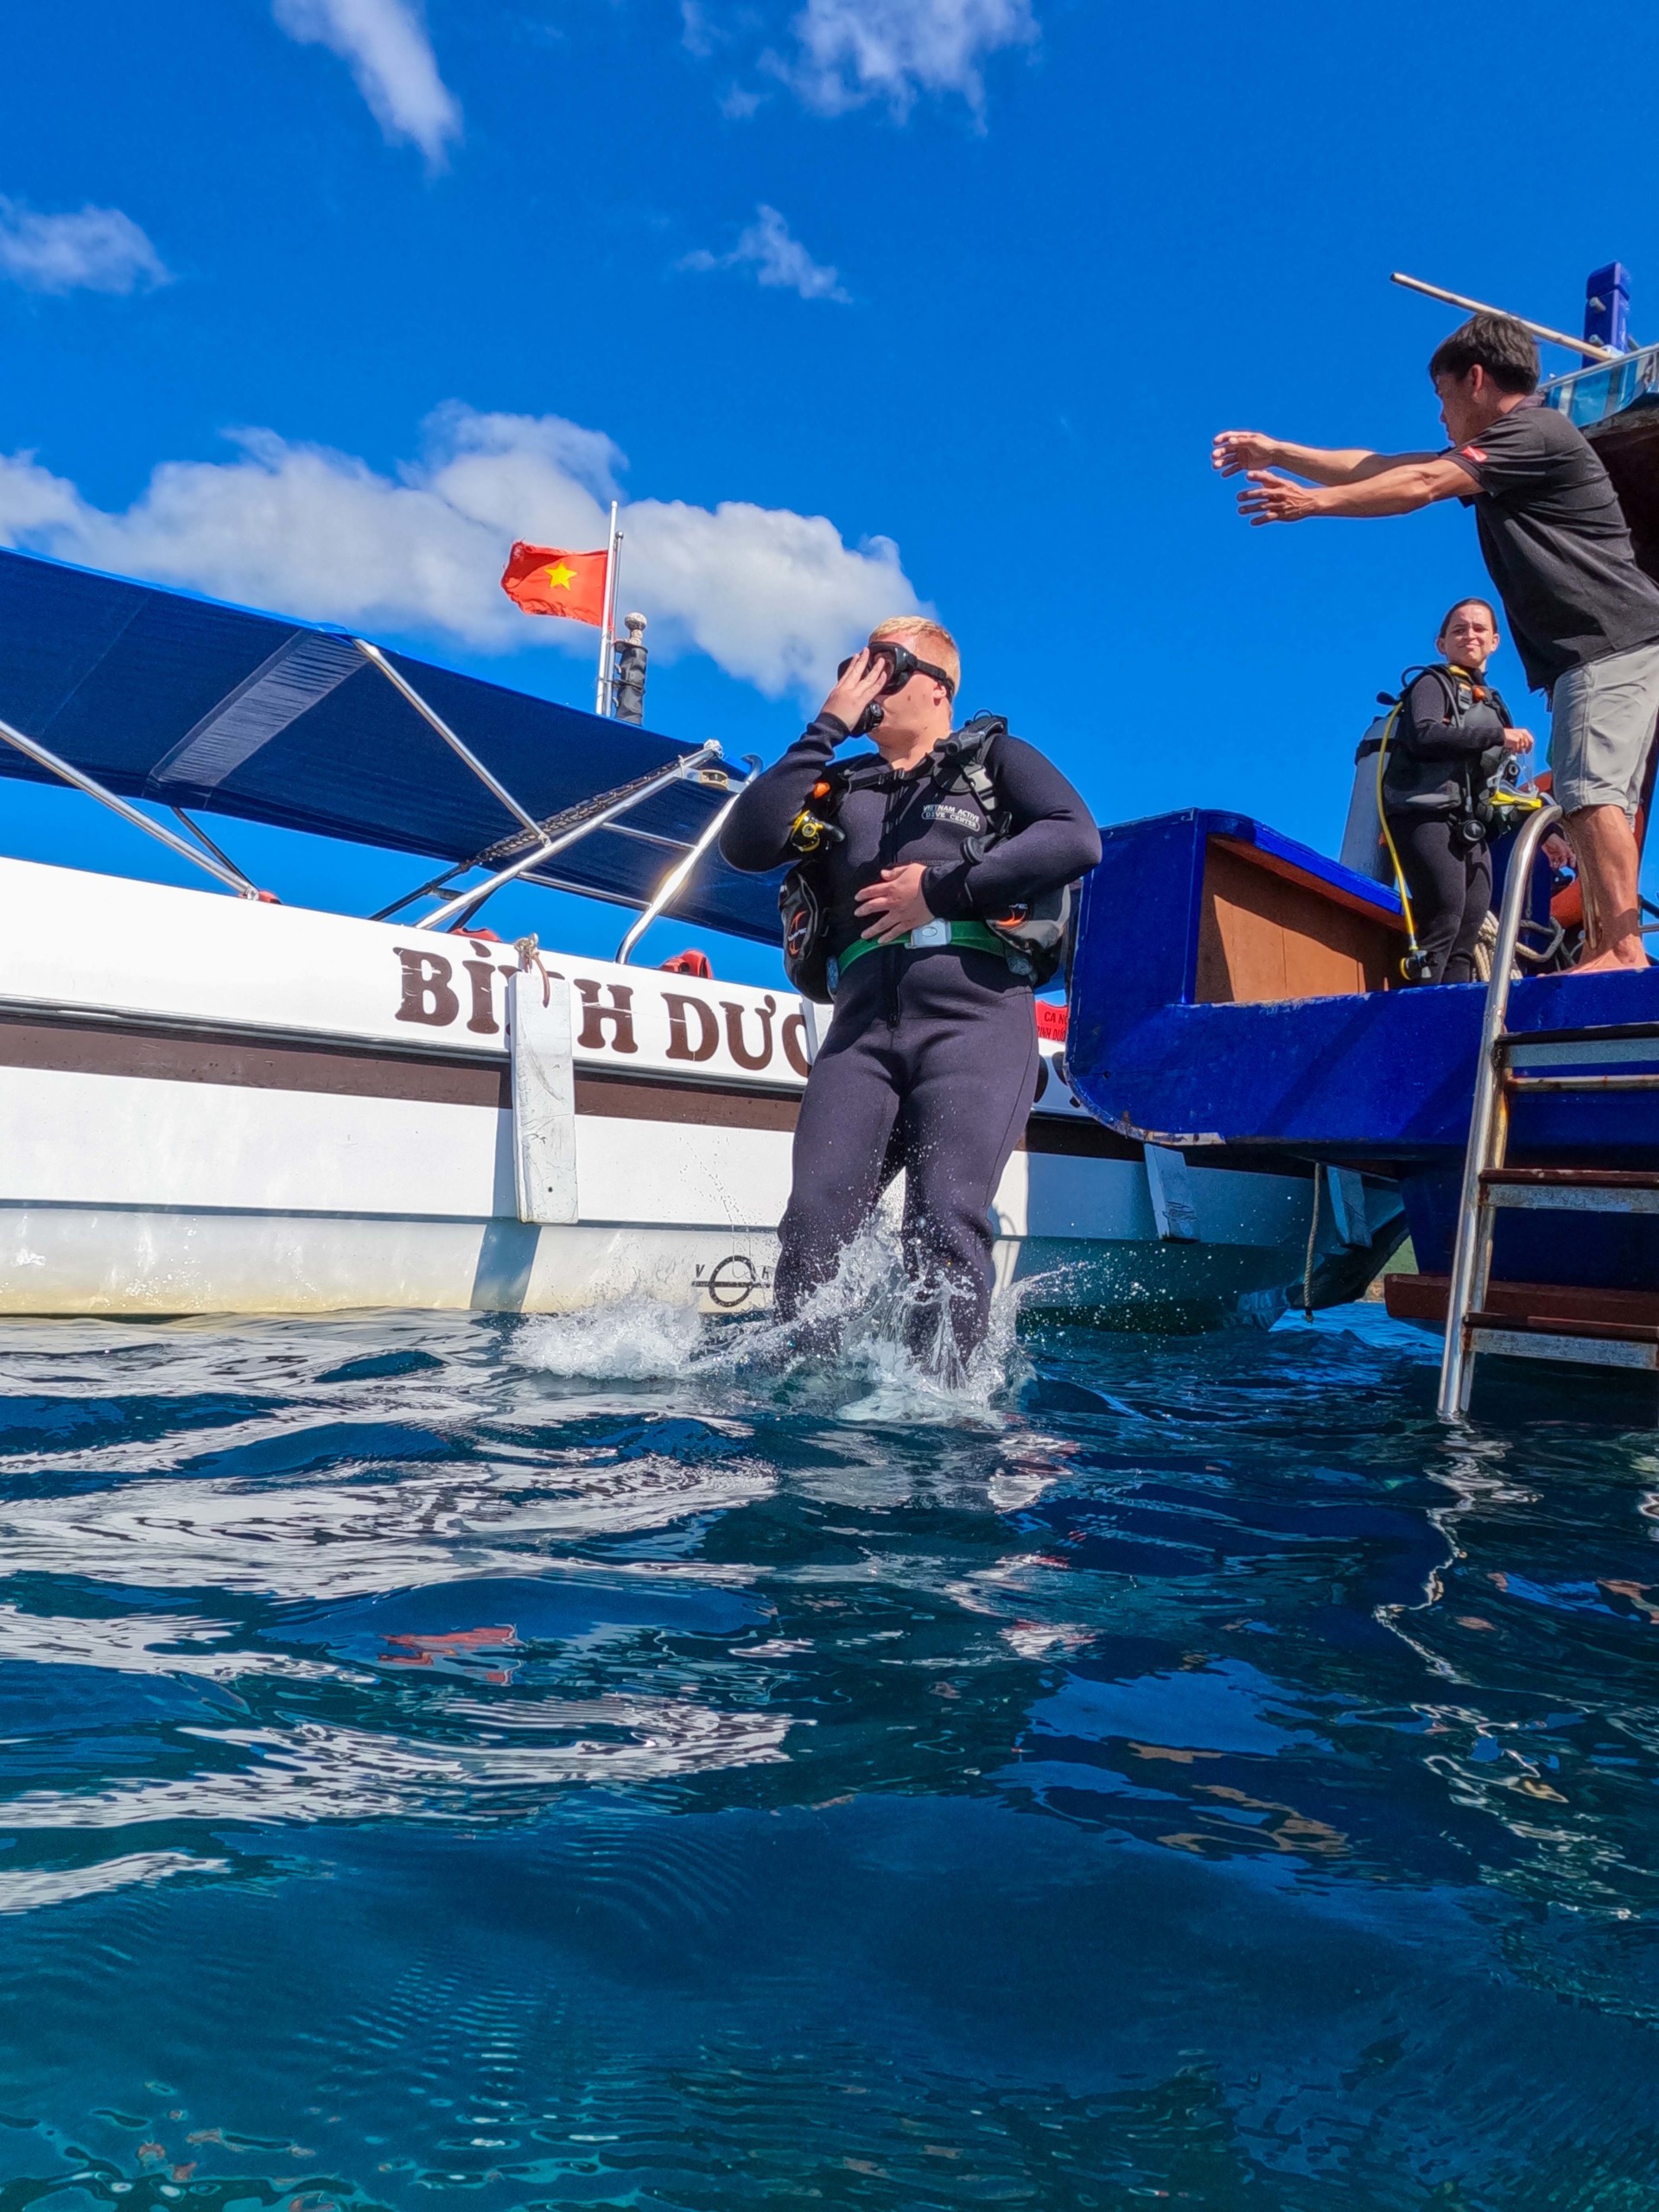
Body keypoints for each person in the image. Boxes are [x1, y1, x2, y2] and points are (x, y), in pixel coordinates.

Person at [1214, 313, 1659, 972]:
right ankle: (1610, 946)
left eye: (1444, 398)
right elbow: (1388, 465)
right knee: (1590, 790)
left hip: (1607, 640)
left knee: (1592, 792)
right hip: (1615, 642)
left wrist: (1311, 505)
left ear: (1475, 380)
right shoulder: (1515, 447)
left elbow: (1421, 485)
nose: (1443, 418)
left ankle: (1619, 949)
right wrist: (1280, 452)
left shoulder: (1534, 431)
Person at [719, 616, 1101, 1370]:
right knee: (814, 1225)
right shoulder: (839, 788)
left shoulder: (994, 763)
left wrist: (942, 891)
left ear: (936, 687)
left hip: (975, 1023)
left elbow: (1075, 836)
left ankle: (945, 1416)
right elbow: (746, 843)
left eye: (883, 666)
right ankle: (806, 1401)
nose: (864, 679)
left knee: (944, 1223)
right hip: (860, 1036)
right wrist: (826, 727)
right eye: (854, 664)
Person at [1382, 597, 1534, 983]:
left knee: (1469, 926)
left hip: (1472, 825)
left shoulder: (1496, 704)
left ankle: (1455, 1021)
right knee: (1445, 915)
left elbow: (1503, 782)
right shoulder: (1432, 683)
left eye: (1479, 628)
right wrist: (1497, 735)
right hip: (1425, 815)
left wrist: (1541, 831)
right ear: (1442, 643)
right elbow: (1426, 734)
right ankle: (1421, 1019)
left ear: (1495, 641)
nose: (1470, 635)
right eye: (1459, 629)